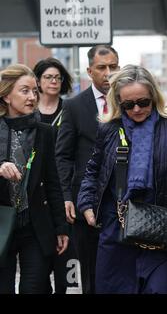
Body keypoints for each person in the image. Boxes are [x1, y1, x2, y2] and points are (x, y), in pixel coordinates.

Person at [77, 65, 167, 294]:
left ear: (154, 97)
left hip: (162, 231)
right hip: (116, 230)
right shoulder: (109, 129)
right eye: (129, 105)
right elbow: (93, 170)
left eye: (143, 102)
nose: (137, 109)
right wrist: (86, 203)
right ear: (118, 102)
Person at [55, 45, 119, 294]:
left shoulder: (130, 101)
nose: (108, 73)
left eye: (113, 66)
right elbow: (63, 155)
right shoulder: (74, 106)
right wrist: (67, 197)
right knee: (90, 271)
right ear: (89, 71)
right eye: (102, 68)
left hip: (122, 200)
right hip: (86, 201)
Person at [0, 64, 68, 293]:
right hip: (1, 225)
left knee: (35, 288)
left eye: (34, 91)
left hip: (35, 226)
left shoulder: (44, 132)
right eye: (24, 91)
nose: (32, 97)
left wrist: (61, 228)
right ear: (7, 95)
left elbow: (53, 183)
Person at [33, 57, 77, 294]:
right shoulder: (29, 112)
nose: (54, 81)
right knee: (37, 277)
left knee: (68, 273)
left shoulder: (70, 109)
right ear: (37, 81)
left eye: (58, 77)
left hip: (64, 196)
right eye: (48, 77)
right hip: (37, 199)